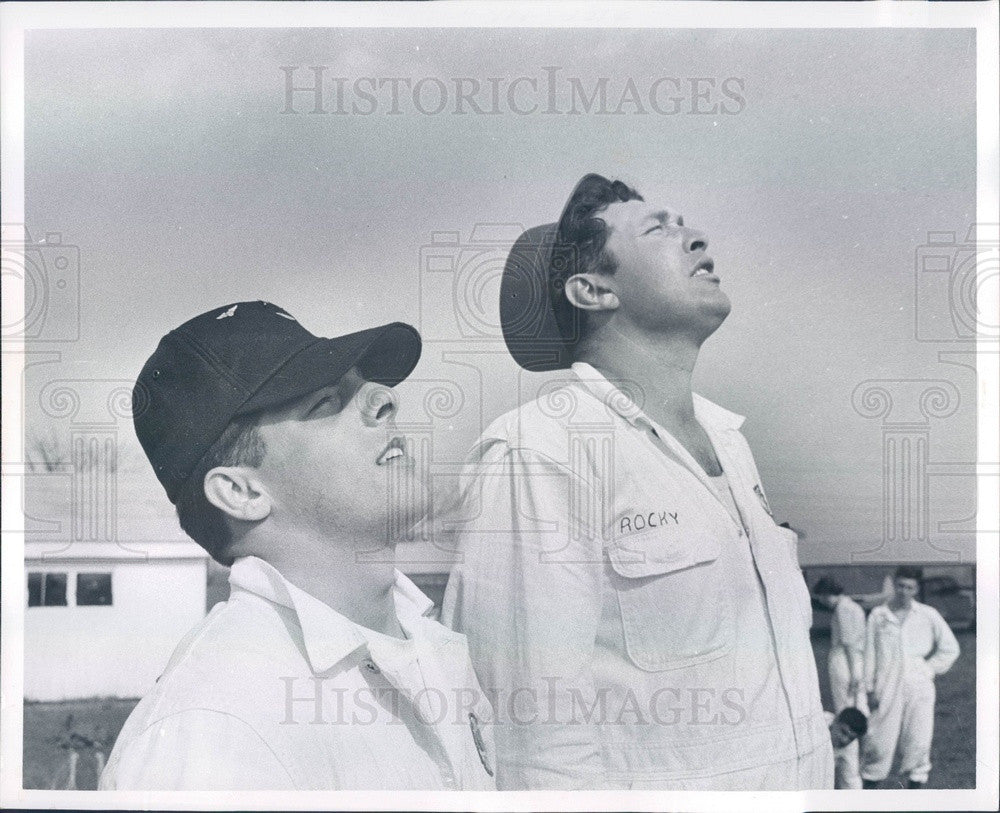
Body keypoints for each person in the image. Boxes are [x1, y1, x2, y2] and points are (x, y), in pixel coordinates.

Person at [441, 174, 832, 789]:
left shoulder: (731, 442)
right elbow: (529, 740)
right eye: (660, 228)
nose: (697, 236)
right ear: (592, 290)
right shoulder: (540, 451)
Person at [100, 301, 496, 790]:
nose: (383, 397)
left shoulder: (433, 648)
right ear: (241, 492)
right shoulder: (214, 727)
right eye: (324, 401)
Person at [860, 565, 960, 789]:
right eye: (901, 586)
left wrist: (929, 669)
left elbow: (950, 648)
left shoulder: (927, 614)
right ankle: (869, 787)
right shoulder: (879, 615)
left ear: (916, 589)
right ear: (895, 584)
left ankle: (916, 786)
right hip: (886, 684)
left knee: (919, 736)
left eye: (910, 587)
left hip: (918, 683)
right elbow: (869, 654)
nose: (904, 591)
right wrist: (869, 687)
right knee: (879, 739)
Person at [813, 577, 868, 713]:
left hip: (844, 660)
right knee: (858, 702)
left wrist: (853, 672)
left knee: (845, 705)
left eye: (822, 596)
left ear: (827, 593)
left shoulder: (842, 609)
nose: (821, 601)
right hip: (857, 659)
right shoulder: (853, 606)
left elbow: (848, 643)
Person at [824, 707, 868, 789]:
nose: (844, 740)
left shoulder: (851, 745)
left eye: (851, 738)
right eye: (843, 732)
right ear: (836, 720)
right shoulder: (817, 722)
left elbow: (851, 779)